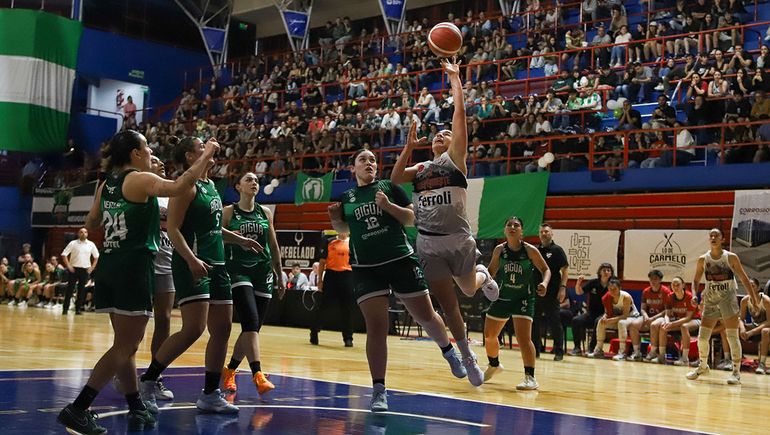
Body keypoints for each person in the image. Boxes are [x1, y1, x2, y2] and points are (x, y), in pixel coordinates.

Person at [56, 130, 218, 434]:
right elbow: (181, 185)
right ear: (134, 154)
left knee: (125, 345)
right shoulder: (138, 179)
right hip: (133, 268)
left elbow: (91, 223)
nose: (149, 152)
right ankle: (78, 408)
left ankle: (135, 404)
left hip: (109, 265)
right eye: (146, 148)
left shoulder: (106, 184)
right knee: (126, 345)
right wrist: (207, 153)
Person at [390, 57, 500, 387]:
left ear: (454, 143)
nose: (441, 133)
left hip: (458, 238)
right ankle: (467, 356)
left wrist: (455, 80)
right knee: (449, 306)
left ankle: (483, 274)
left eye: (446, 132)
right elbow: (395, 179)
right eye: (437, 133)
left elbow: (460, 116)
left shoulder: (456, 161)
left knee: (468, 289)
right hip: (429, 242)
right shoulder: (422, 168)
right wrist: (408, 147)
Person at [328, 148, 463, 412]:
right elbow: (345, 230)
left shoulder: (389, 187)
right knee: (376, 327)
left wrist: (388, 206)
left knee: (425, 315)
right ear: (352, 168)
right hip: (366, 267)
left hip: (400, 260)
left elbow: (412, 218)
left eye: (373, 160)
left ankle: (449, 351)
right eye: (362, 159)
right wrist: (335, 219)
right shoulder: (347, 197)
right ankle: (379, 390)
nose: (369, 163)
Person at [138, 137, 262, 415]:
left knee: (223, 329)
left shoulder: (210, 186)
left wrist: (238, 240)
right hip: (192, 263)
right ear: (189, 155)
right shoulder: (186, 185)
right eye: (199, 146)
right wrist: (191, 259)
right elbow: (172, 229)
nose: (207, 149)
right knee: (193, 329)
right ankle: (148, 380)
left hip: (217, 264)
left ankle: (209, 394)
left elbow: (214, 228)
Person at [221, 172, 285, 395]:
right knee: (250, 321)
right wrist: (234, 237)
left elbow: (273, 244)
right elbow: (214, 235)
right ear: (238, 186)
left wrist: (279, 273)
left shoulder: (265, 212)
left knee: (253, 328)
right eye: (249, 179)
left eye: (257, 180)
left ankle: (229, 370)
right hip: (238, 271)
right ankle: (257, 373)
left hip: (263, 271)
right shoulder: (228, 212)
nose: (254, 183)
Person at [483, 216, 550, 390]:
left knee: (523, 338)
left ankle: (530, 377)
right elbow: (490, 272)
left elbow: (546, 269)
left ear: (522, 231)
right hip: (503, 296)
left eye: (516, 225)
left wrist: (544, 283)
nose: (512, 227)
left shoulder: (530, 250)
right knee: (489, 336)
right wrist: (481, 279)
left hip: (524, 297)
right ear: (505, 230)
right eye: (509, 225)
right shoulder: (499, 250)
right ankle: (494, 365)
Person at [686, 228, 758, 385]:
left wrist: (753, 299)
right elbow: (696, 281)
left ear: (722, 239)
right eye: (711, 236)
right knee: (702, 337)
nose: (713, 238)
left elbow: (744, 279)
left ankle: (736, 372)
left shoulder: (730, 257)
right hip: (711, 301)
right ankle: (703, 366)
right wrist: (694, 294)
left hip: (728, 300)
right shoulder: (703, 259)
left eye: (716, 235)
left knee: (732, 336)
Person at [310, 231, 355, 347]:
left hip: (347, 276)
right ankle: (314, 331)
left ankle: (348, 338)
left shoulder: (353, 243)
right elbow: (322, 262)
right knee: (324, 306)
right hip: (331, 275)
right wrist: (320, 280)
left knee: (347, 308)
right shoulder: (329, 241)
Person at [532, 223, 568, 361]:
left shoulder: (557, 250)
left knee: (555, 322)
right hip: (536, 292)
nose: (544, 234)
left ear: (551, 234)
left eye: (546, 231)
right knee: (534, 321)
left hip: (552, 293)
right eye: (541, 232)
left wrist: (563, 288)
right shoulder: (535, 251)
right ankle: (536, 350)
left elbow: (565, 270)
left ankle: (559, 351)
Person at [587, 277, 640, 359]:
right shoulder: (607, 297)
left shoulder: (626, 297)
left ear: (620, 288)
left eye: (614, 289)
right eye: (610, 289)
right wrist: (605, 317)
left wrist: (611, 320)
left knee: (621, 323)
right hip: (617, 318)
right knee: (601, 322)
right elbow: (607, 312)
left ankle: (622, 352)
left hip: (632, 318)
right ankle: (598, 350)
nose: (612, 291)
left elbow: (625, 315)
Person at [571, 263, 614, 355]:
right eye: (604, 270)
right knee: (576, 320)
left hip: (606, 314)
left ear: (611, 273)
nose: (606, 272)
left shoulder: (613, 284)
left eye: (608, 270)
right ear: (600, 272)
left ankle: (591, 348)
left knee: (598, 321)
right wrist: (578, 283)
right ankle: (577, 348)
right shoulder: (593, 283)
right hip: (591, 313)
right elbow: (579, 292)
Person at [631, 270, 672, 363]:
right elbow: (642, 308)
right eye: (651, 279)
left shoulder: (666, 291)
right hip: (648, 317)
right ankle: (637, 352)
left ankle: (653, 351)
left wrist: (653, 318)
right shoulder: (646, 291)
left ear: (660, 280)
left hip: (661, 317)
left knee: (653, 325)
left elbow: (667, 310)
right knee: (633, 325)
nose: (653, 281)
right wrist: (645, 316)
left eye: (655, 279)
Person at [659, 277, 701, 366]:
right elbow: (667, 314)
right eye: (673, 285)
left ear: (683, 285)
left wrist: (672, 324)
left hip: (695, 320)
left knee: (684, 326)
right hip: (678, 321)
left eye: (678, 284)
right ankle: (661, 357)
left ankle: (685, 358)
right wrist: (667, 322)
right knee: (663, 327)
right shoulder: (669, 296)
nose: (675, 287)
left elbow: (688, 318)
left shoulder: (689, 297)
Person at [60, 228, 100, 315]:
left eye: (85, 232)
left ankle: (78, 309)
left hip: (85, 270)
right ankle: (65, 309)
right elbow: (64, 254)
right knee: (69, 289)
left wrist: (92, 267)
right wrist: (68, 266)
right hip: (74, 269)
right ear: (78, 234)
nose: (83, 233)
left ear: (87, 234)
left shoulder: (91, 244)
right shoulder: (73, 243)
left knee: (82, 291)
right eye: (81, 232)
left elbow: (96, 256)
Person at [738, 279, 770, 374]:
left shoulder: (766, 300)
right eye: (748, 285)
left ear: (758, 288)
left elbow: (769, 322)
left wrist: (751, 332)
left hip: (766, 326)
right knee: (735, 328)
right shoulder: (745, 300)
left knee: (765, 331)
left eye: (753, 285)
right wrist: (743, 329)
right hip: (756, 326)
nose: (750, 287)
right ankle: (736, 359)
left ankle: (762, 364)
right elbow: (740, 319)